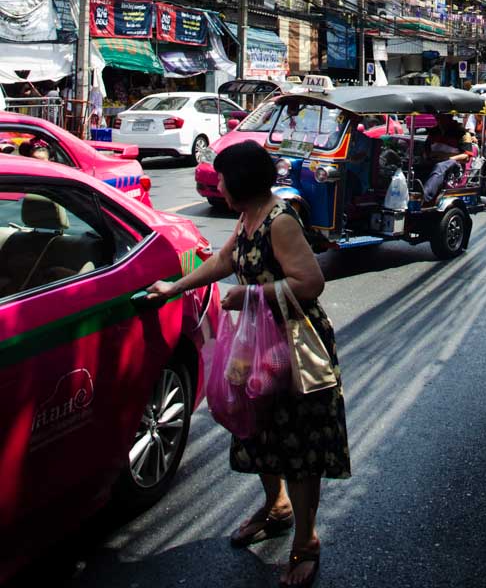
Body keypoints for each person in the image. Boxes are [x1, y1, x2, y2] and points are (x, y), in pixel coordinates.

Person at [147, 140, 349, 587]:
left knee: (297, 446)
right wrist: (175, 287)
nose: (217, 184)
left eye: (221, 178)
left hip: (294, 349)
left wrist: (250, 295)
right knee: (259, 430)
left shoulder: (281, 222)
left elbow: (311, 282)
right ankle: (275, 507)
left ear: (239, 182)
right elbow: (225, 260)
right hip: (256, 347)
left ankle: (306, 542)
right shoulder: (248, 216)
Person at [420, 113, 472, 206]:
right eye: (437, 117)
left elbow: (466, 157)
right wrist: (427, 156)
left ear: (450, 117)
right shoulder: (434, 131)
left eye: (442, 117)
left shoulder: (462, 132)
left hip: (454, 165)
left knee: (440, 166)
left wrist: (446, 157)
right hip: (433, 160)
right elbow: (426, 150)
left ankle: (424, 197)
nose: (439, 120)